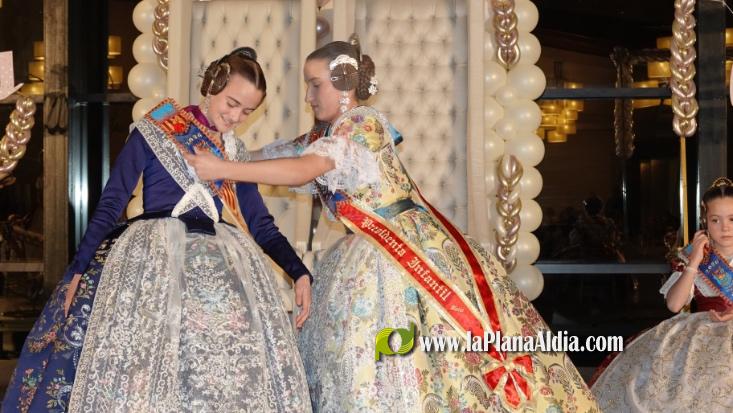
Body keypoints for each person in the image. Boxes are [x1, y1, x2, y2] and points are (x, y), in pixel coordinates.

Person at [184, 36, 598, 412]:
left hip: (401, 252)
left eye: (315, 84)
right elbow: (269, 158)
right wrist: (216, 146)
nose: (308, 96)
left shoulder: (363, 124)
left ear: (343, 84)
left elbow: (302, 169)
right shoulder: (324, 134)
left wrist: (222, 168)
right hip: (364, 249)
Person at [3, 47, 312, 413]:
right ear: (211, 86)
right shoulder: (157, 129)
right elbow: (112, 203)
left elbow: (260, 224)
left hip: (218, 269)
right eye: (232, 103)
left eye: (247, 111)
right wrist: (78, 271)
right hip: (153, 264)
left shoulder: (235, 152)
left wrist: (298, 271)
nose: (235, 117)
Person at [591, 177, 733, 412]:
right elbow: (674, 305)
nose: (725, 227)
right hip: (701, 332)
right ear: (705, 221)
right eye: (715, 220)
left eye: (731, 219)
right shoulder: (694, 256)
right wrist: (694, 262)